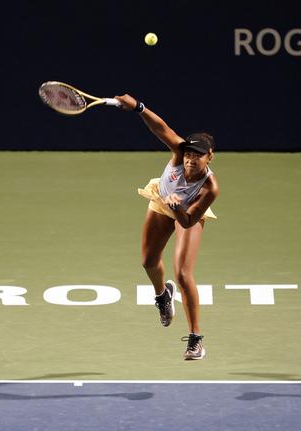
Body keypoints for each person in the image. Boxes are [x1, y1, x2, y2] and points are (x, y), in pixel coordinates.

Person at [115, 94, 219, 360]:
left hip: (188, 212)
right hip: (162, 201)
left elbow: (186, 221)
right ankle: (163, 295)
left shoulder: (209, 187)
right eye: (189, 154)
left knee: (183, 273)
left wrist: (179, 208)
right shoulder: (178, 152)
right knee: (148, 262)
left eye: (198, 156)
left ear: (210, 157)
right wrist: (139, 107)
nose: (191, 159)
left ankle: (195, 339)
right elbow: (161, 128)